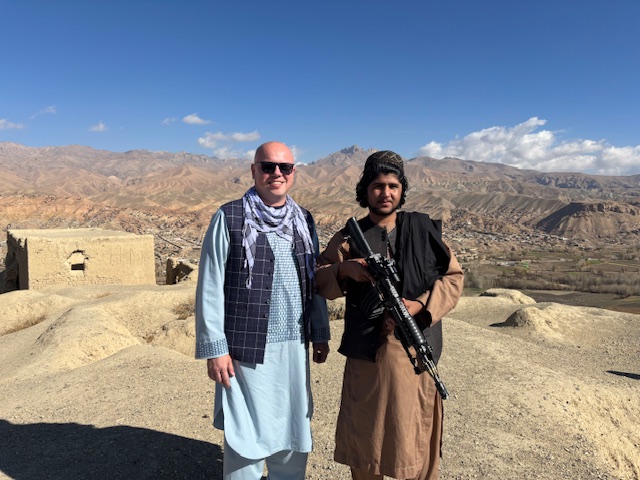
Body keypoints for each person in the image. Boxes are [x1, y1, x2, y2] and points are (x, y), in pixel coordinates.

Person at [315, 150, 464, 480]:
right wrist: (346, 269)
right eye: (378, 186)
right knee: (366, 443)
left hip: (416, 351)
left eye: (393, 186)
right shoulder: (350, 237)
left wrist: (421, 306)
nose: (386, 193)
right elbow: (319, 278)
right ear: (365, 191)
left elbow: (453, 279)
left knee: (414, 440)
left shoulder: (424, 230)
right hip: (368, 356)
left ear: (402, 190)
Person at [195, 141, 330, 480]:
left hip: (293, 349)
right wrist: (216, 349)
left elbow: (314, 281)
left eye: (285, 167)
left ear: (294, 172)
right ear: (254, 170)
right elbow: (210, 286)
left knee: (292, 427)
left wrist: (320, 333)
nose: (277, 173)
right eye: (268, 166)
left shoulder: (304, 220)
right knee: (245, 434)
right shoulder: (229, 217)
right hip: (244, 350)